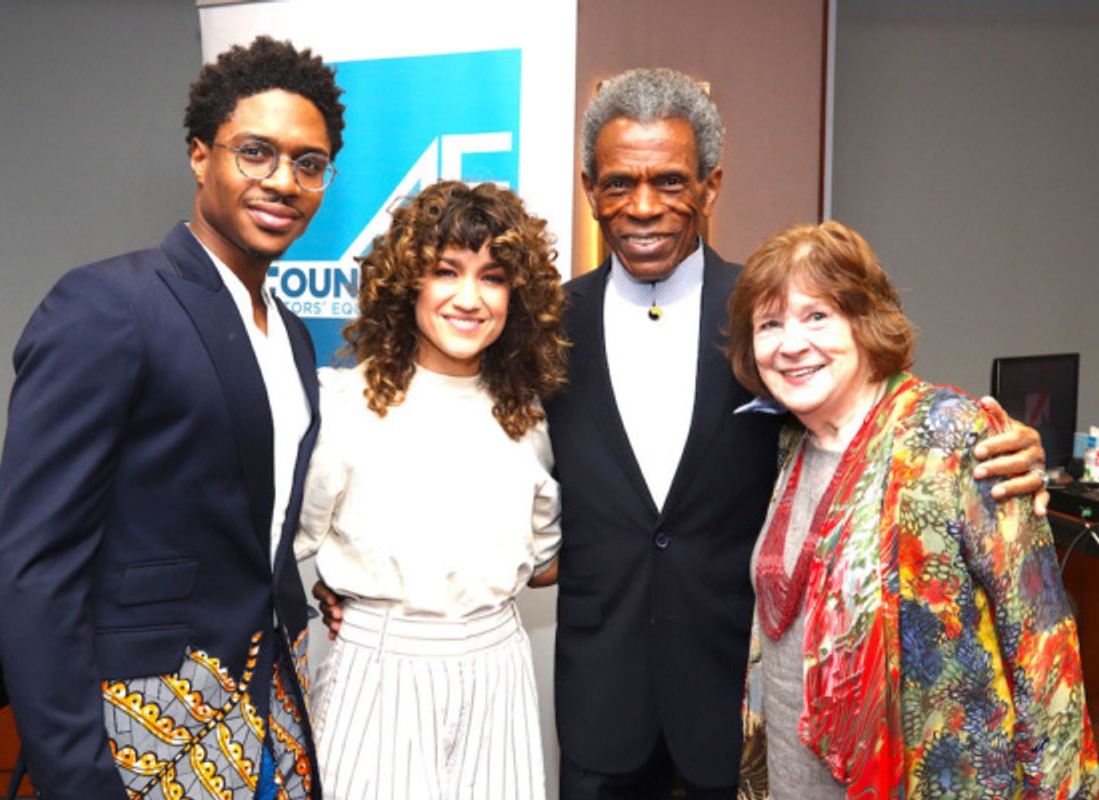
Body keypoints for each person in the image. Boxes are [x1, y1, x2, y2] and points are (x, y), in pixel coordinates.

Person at [318, 68, 1047, 799]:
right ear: (589, 187)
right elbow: (451, 437)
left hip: (741, 702)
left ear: (710, 186)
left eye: (669, 182)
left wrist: (991, 444)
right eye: (618, 184)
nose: (643, 207)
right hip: (600, 705)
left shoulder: (767, 320)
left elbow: (864, 416)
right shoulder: (541, 327)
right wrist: (352, 575)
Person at [0, 37, 343, 799]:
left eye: (308, 164)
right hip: (142, 723)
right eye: (256, 153)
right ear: (198, 156)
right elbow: (32, 568)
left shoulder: (294, 331)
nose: (284, 181)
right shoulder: (109, 306)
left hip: (268, 710)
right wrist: (76, 774)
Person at [728, 220, 1098, 799]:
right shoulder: (790, 445)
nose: (790, 343)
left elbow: (1042, 645)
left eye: (817, 316)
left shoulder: (953, 435)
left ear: (864, 320)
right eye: (769, 325)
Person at [295, 180, 567, 799]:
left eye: (492, 277)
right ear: (407, 282)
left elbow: (546, 560)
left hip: (498, 670)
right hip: (379, 671)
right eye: (447, 271)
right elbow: (283, 547)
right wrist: (334, 588)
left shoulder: (526, 416)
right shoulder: (343, 406)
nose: (469, 298)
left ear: (516, 297)